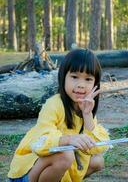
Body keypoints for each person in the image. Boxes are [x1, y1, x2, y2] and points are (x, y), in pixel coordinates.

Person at [8, 49, 110, 182]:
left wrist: (87, 115)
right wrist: (68, 139)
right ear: (63, 77)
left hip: (59, 163)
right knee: (66, 155)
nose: (81, 85)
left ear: (95, 84)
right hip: (28, 172)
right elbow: (40, 143)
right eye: (74, 77)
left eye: (88, 79)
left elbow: (96, 146)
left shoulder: (86, 108)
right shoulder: (54, 104)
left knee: (97, 160)